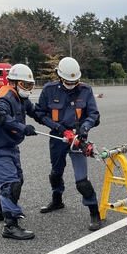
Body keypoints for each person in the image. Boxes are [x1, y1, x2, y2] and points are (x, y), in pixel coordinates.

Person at [34, 57, 102, 231]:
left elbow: (93, 115)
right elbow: (40, 113)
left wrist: (84, 130)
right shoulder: (49, 90)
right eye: (67, 81)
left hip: (77, 139)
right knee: (55, 173)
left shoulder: (86, 90)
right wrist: (58, 127)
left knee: (81, 180)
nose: (71, 84)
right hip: (58, 137)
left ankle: (95, 212)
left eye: (75, 81)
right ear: (59, 76)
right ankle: (57, 200)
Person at [0, 63, 39, 240]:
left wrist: (57, 126)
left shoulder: (21, 98)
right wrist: (23, 128)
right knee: (11, 184)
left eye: (30, 85)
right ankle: (10, 226)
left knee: (18, 179)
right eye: (24, 85)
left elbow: (37, 113)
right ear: (12, 82)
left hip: (9, 146)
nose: (27, 89)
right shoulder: (4, 97)